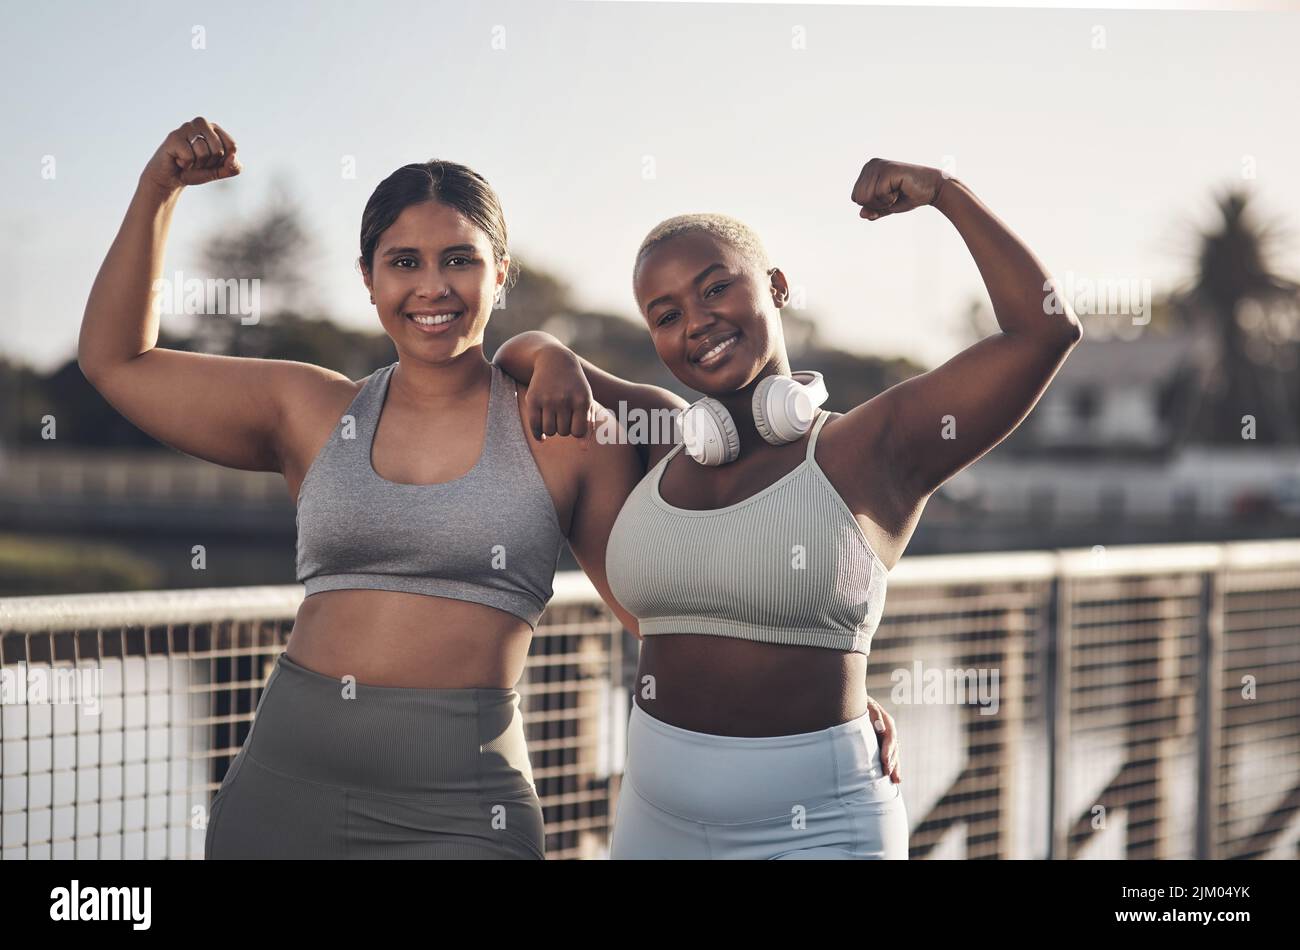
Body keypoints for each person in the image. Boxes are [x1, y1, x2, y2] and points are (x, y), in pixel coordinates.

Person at [77, 117, 642, 859]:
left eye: (460, 261)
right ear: (369, 279)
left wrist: (819, 706)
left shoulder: (561, 428)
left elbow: (654, 621)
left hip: (466, 813)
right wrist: (159, 189)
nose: (432, 286)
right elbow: (115, 361)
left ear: (499, 274)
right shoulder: (310, 410)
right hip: (282, 797)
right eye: (403, 261)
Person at [493, 158, 1083, 858]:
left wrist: (945, 193)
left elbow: (1043, 332)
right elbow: (510, 360)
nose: (698, 322)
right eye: (667, 314)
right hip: (655, 817)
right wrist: (553, 351)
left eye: (717, 288)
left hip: (820, 829)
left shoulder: (869, 449)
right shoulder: (657, 435)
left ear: (776, 287)